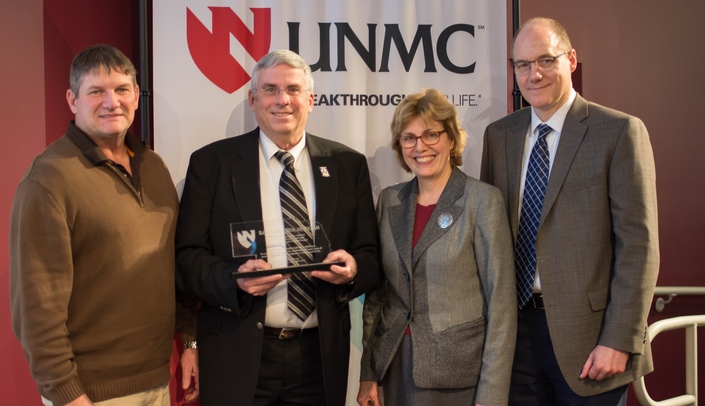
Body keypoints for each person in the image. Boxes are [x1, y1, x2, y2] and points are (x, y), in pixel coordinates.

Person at [175, 49, 381, 406]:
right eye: (270, 90)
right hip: (238, 351)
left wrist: (353, 270)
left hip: (318, 356)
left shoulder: (348, 166)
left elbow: (371, 255)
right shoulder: (212, 164)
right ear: (253, 99)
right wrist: (234, 279)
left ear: (311, 100)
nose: (282, 100)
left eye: (293, 89)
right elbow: (187, 258)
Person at [480, 17, 659, 405]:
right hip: (517, 339)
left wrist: (619, 339)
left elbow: (639, 247)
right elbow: (492, 237)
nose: (534, 74)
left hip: (592, 342)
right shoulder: (499, 137)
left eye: (546, 60)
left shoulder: (619, 132)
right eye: (522, 65)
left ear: (572, 60)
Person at [9, 44, 198, 406]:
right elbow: (36, 309)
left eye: (122, 89)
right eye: (96, 91)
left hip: (156, 381)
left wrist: (189, 341)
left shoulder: (153, 166)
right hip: (90, 394)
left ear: (136, 97)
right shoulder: (47, 180)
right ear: (72, 100)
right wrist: (67, 394)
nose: (112, 102)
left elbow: (176, 266)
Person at [357, 88, 517, 406]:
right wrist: (368, 373)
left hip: (459, 376)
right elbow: (377, 296)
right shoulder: (390, 200)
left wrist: (492, 394)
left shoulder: (482, 200)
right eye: (409, 138)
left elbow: (502, 307)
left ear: (451, 139)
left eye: (431, 134)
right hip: (395, 367)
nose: (421, 147)